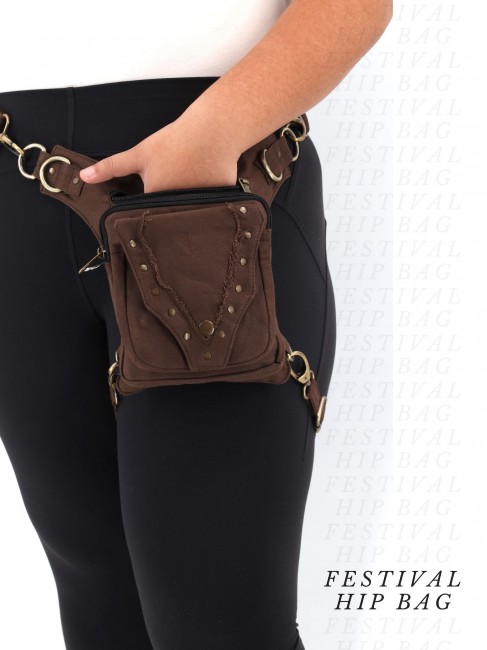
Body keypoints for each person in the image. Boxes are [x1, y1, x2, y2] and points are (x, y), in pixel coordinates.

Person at [0, 1, 392, 648]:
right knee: (102, 613)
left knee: (220, 626)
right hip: (16, 194)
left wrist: (210, 136)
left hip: (213, 186)